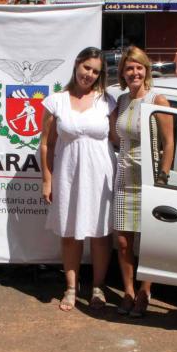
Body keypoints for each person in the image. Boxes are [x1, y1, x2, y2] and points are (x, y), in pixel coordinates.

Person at [40, 47, 117, 311]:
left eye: (96, 71)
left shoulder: (108, 101)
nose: (90, 74)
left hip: (101, 176)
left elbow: (118, 140)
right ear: (77, 65)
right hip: (68, 175)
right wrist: (47, 179)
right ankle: (71, 288)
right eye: (87, 68)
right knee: (70, 233)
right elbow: (47, 145)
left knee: (100, 234)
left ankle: (98, 287)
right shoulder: (56, 101)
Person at [110, 46, 174, 317]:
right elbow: (115, 138)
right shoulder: (121, 101)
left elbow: (169, 143)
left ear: (146, 70)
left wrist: (163, 177)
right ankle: (128, 291)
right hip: (124, 176)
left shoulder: (157, 100)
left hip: (150, 179)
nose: (134, 72)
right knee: (124, 242)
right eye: (129, 68)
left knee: (149, 242)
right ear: (123, 73)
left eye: (139, 67)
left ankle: (146, 290)